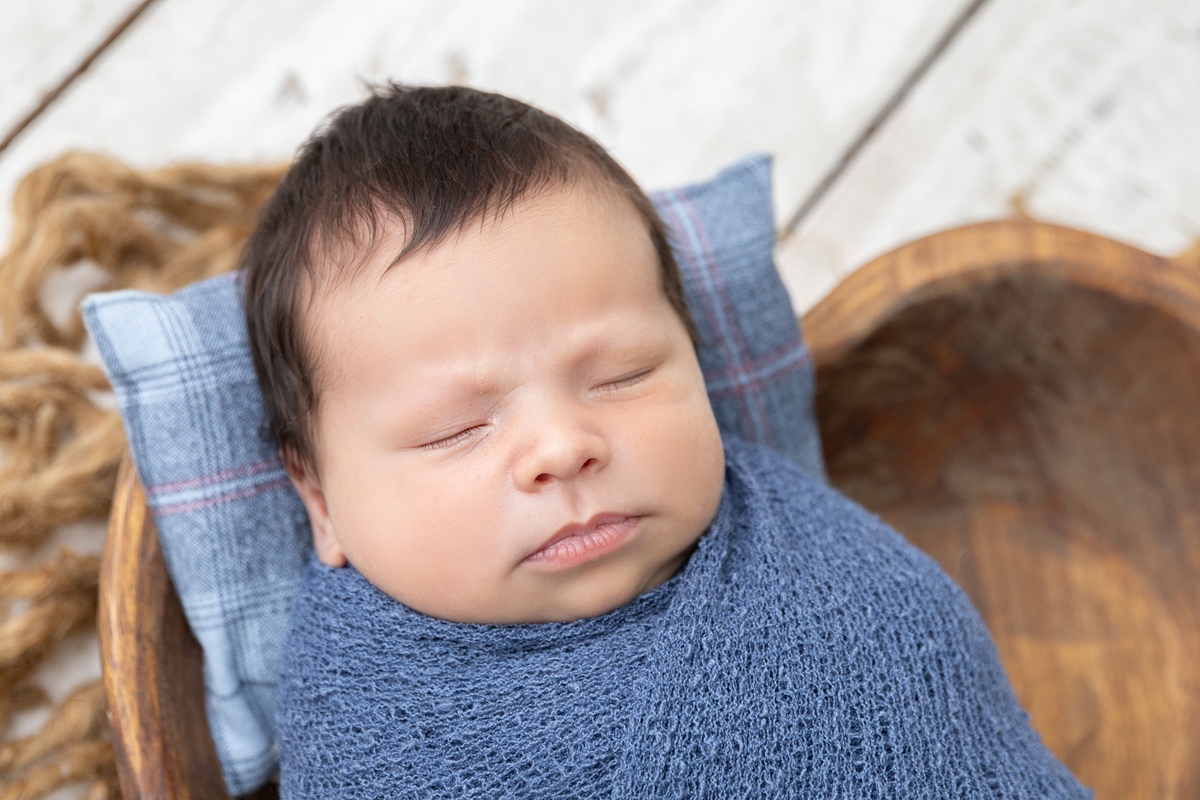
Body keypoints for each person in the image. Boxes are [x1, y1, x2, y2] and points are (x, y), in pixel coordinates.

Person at [241, 84, 1091, 798]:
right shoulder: (370, 729)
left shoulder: (842, 589)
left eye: (620, 375)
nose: (562, 446)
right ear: (322, 501)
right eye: (457, 428)